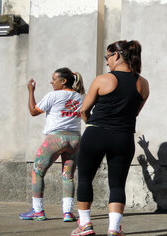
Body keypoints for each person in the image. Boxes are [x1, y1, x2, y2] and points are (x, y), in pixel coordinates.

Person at [71, 40, 149, 236]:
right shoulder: (143, 84)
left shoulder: (102, 80)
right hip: (123, 137)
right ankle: (114, 229)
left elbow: (83, 110)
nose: (107, 62)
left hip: (96, 133)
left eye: (107, 57)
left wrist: (91, 123)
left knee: (85, 178)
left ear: (116, 55)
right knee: (117, 183)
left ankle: (86, 226)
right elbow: (135, 113)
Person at [20, 67, 86, 222]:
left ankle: (37, 211)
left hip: (55, 139)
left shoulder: (53, 95)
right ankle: (68, 213)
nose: (51, 82)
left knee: (37, 172)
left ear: (63, 81)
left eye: (54, 79)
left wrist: (30, 91)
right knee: (68, 176)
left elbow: (33, 111)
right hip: (75, 139)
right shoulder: (81, 96)